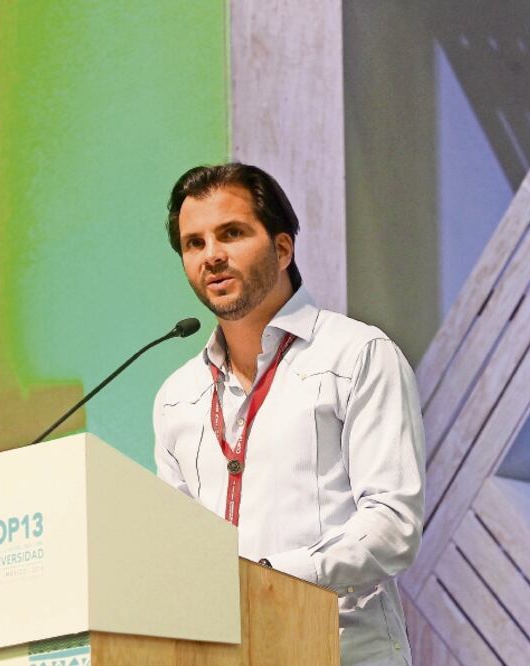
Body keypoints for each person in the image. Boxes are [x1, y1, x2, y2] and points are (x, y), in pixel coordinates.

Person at [153, 163, 425, 666]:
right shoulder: (177, 398)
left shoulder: (356, 355)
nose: (211, 256)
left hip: (338, 649)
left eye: (230, 234)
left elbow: (392, 526)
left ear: (282, 248)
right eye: (194, 243)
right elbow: (181, 549)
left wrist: (269, 576)